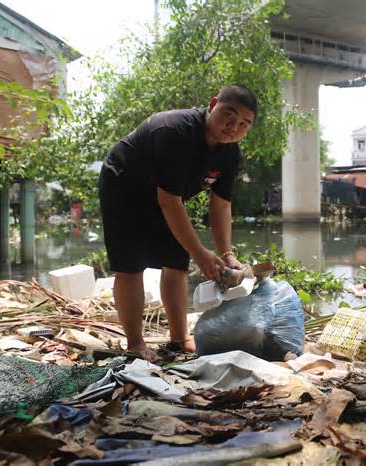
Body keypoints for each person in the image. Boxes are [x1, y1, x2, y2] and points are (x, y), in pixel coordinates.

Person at [98, 84, 257, 361]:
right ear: (212, 105)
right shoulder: (175, 131)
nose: (233, 127)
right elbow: (168, 201)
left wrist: (226, 254)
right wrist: (201, 253)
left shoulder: (230, 154)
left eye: (244, 124)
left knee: (176, 262)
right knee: (130, 265)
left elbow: (221, 204)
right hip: (124, 186)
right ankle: (136, 344)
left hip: (169, 196)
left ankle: (179, 337)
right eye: (228, 116)